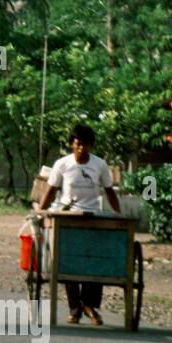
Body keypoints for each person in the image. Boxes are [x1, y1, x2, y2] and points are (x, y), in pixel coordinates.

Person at [37, 122, 122, 325]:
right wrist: (41, 212)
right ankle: (75, 308)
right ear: (72, 145)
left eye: (85, 144)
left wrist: (119, 214)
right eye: (78, 144)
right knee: (66, 260)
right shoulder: (62, 164)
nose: (81, 148)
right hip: (68, 217)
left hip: (92, 216)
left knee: (95, 259)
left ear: (91, 145)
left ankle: (90, 305)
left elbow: (109, 191)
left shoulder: (99, 165)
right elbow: (50, 191)